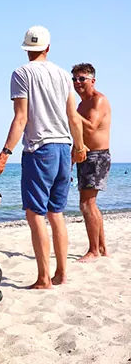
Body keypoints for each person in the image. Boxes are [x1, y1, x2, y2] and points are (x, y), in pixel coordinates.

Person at [0, 26, 87, 289]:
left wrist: (4, 153)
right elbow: (73, 116)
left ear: (26, 49)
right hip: (63, 147)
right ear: (48, 47)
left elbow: (21, 117)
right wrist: (79, 146)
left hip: (39, 148)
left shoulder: (22, 73)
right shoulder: (64, 75)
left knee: (35, 214)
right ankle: (61, 274)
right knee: (56, 213)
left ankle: (44, 278)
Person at [72, 62, 111, 261]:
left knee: (87, 204)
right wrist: (72, 155)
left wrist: (71, 113)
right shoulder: (80, 105)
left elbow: (90, 128)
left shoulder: (99, 100)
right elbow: (79, 135)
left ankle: (93, 250)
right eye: (74, 79)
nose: (77, 83)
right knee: (90, 204)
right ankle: (102, 248)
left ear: (92, 81)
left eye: (81, 79)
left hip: (98, 156)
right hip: (85, 156)